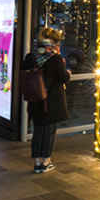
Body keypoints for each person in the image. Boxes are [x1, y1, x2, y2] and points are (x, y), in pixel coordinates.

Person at [22, 27, 71, 173]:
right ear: (54, 42)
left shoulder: (31, 56)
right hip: (51, 102)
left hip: (35, 99)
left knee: (38, 131)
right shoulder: (55, 59)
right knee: (49, 132)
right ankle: (46, 161)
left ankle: (37, 162)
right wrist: (67, 72)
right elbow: (63, 78)